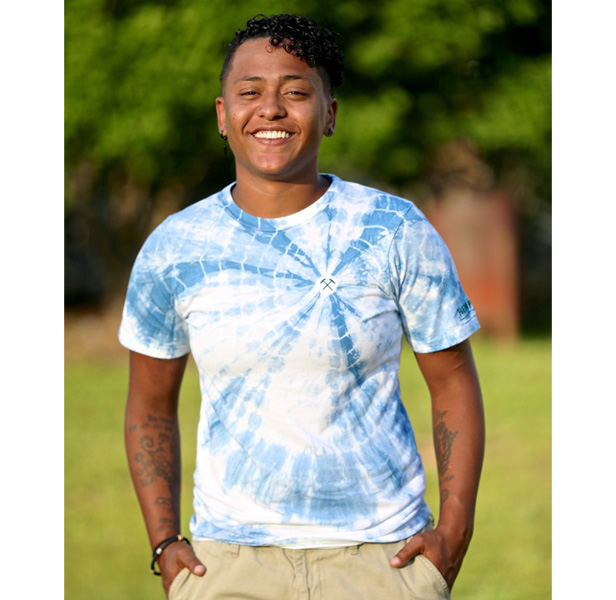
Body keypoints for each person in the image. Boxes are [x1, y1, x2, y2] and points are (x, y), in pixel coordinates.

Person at [120, 13, 484, 600]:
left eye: (295, 92)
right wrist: (164, 543)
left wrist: (454, 531)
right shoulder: (176, 247)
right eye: (249, 93)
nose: (270, 109)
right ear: (222, 115)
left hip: (381, 560)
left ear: (330, 113)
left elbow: (455, 383)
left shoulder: (392, 229)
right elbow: (149, 407)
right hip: (228, 564)